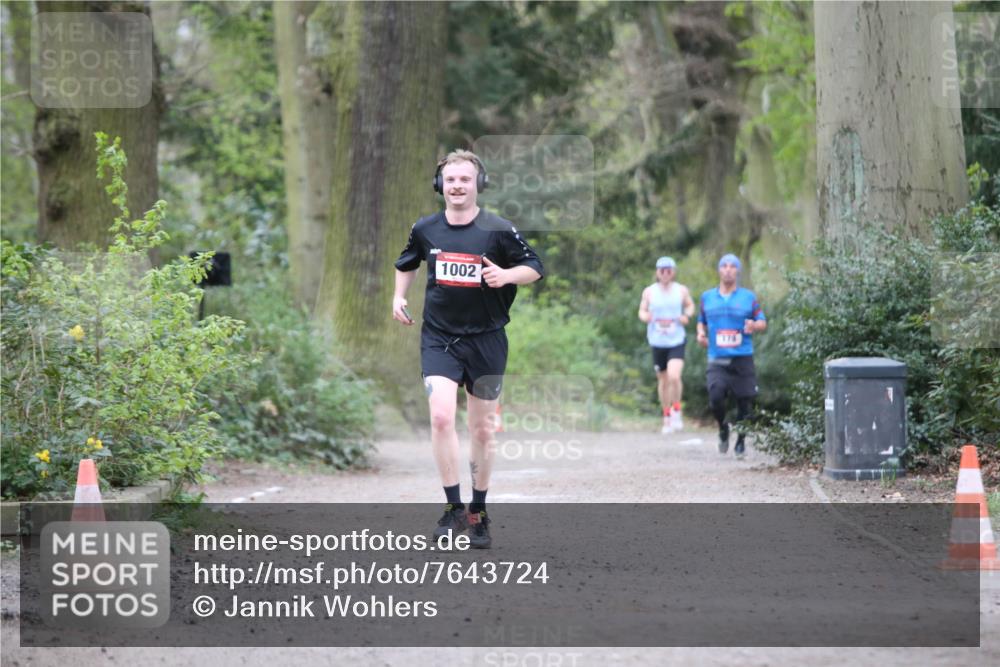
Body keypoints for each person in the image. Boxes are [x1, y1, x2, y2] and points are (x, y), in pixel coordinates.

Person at [392, 150, 544, 548]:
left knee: (481, 429)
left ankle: (478, 511)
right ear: (440, 185)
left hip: (487, 339)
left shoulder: (497, 229)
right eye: (451, 179)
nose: (458, 186)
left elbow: (534, 266)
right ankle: (453, 509)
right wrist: (397, 298)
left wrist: (506, 274)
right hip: (440, 337)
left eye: (465, 179)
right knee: (442, 418)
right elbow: (406, 262)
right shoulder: (425, 228)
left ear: (479, 184)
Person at [696, 254, 767, 458]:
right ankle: (723, 428)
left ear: (737, 271)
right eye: (724, 266)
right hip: (717, 358)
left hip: (742, 357)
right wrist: (701, 333)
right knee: (715, 397)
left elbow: (762, 321)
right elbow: (701, 321)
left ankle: (741, 441)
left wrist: (754, 325)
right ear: (719, 270)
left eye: (732, 266)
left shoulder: (748, 297)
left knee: (745, 403)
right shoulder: (707, 297)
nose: (728, 269)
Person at [638, 256, 695, 434]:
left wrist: (687, 316)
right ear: (657, 272)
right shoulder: (649, 292)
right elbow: (642, 310)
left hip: (676, 340)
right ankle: (666, 416)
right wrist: (645, 317)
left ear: (673, 272)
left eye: (668, 270)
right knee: (663, 381)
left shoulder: (681, 290)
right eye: (662, 270)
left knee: (674, 376)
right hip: (657, 341)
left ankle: (677, 409)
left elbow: (690, 306)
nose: (665, 273)